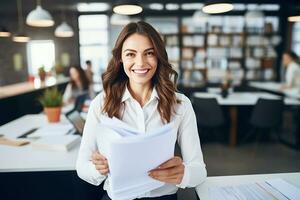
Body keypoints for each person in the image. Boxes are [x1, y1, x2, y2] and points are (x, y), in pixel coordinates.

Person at [76, 21, 207, 200]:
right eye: (131, 54)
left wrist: (183, 173)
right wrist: (99, 169)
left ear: (159, 56)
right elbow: (82, 167)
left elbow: (199, 171)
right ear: (120, 58)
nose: (140, 63)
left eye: (149, 53)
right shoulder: (101, 103)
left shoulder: (180, 105)